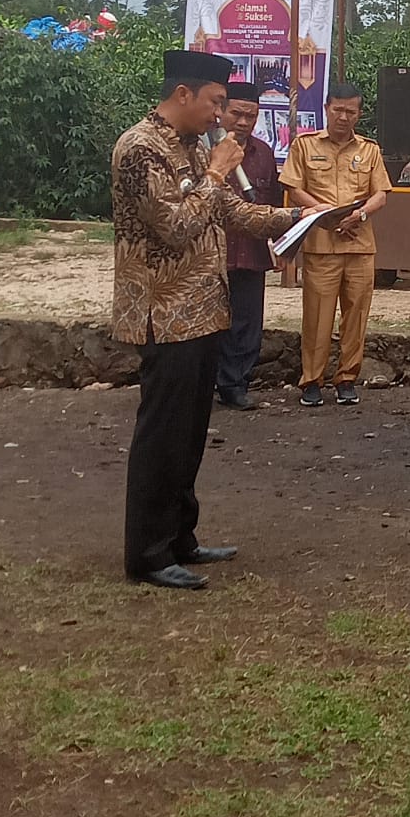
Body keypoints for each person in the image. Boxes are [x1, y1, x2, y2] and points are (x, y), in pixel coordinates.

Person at [112, 50, 321, 589]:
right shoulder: (140, 148)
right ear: (184, 94)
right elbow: (178, 226)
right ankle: (147, 554)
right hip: (164, 313)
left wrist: (298, 217)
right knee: (161, 433)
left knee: (190, 434)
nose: (220, 116)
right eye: (216, 103)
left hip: (203, 311)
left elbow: (229, 212)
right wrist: (214, 172)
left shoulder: (188, 146)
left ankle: (181, 538)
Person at [280, 82, 392, 407]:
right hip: (321, 242)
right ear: (327, 109)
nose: (343, 116)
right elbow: (292, 185)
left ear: (359, 113)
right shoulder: (304, 146)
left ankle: (346, 378)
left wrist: (359, 215)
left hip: (359, 245)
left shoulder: (369, 150)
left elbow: (381, 194)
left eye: (351, 111)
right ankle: (311, 381)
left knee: (356, 315)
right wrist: (322, 213)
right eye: (338, 109)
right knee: (317, 315)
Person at [214, 84, 282, 411]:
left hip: (252, 254)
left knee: (248, 325)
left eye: (251, 116)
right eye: (236, 114)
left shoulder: (264, 153)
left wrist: (280, 247)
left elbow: (271, 205)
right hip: (214, 256)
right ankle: (207, 383)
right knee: (213, 324)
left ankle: (236, 385)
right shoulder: (205, 152)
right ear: (222, 113)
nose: (243, 122)